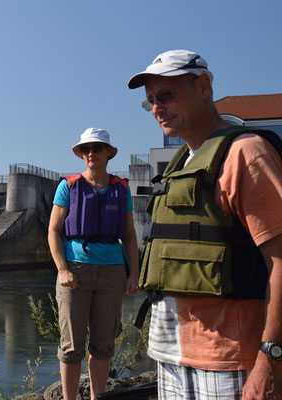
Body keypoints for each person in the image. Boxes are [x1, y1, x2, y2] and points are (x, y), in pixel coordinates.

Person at [128, 49, 282, 399]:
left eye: (166, 95)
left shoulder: (246, 153)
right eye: (149, 101)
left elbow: (281, 262)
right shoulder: (180, 163)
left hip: (229, 361)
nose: (156, 108)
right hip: (170, 356)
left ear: (204, 87)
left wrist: (271, 358)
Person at [48, 127, 139, 400]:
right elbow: (53, 230)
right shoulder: (69, 186)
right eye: (85, 149)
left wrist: (133, 274)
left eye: (97, 148)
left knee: (103, 344)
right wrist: (63, 269)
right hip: (75, 271)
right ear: (80, 154)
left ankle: (98, 397)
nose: (91, 153)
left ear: (108, 153)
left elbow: (130, 235)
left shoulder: (121, 189)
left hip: (111, 273)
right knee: (71, 347)